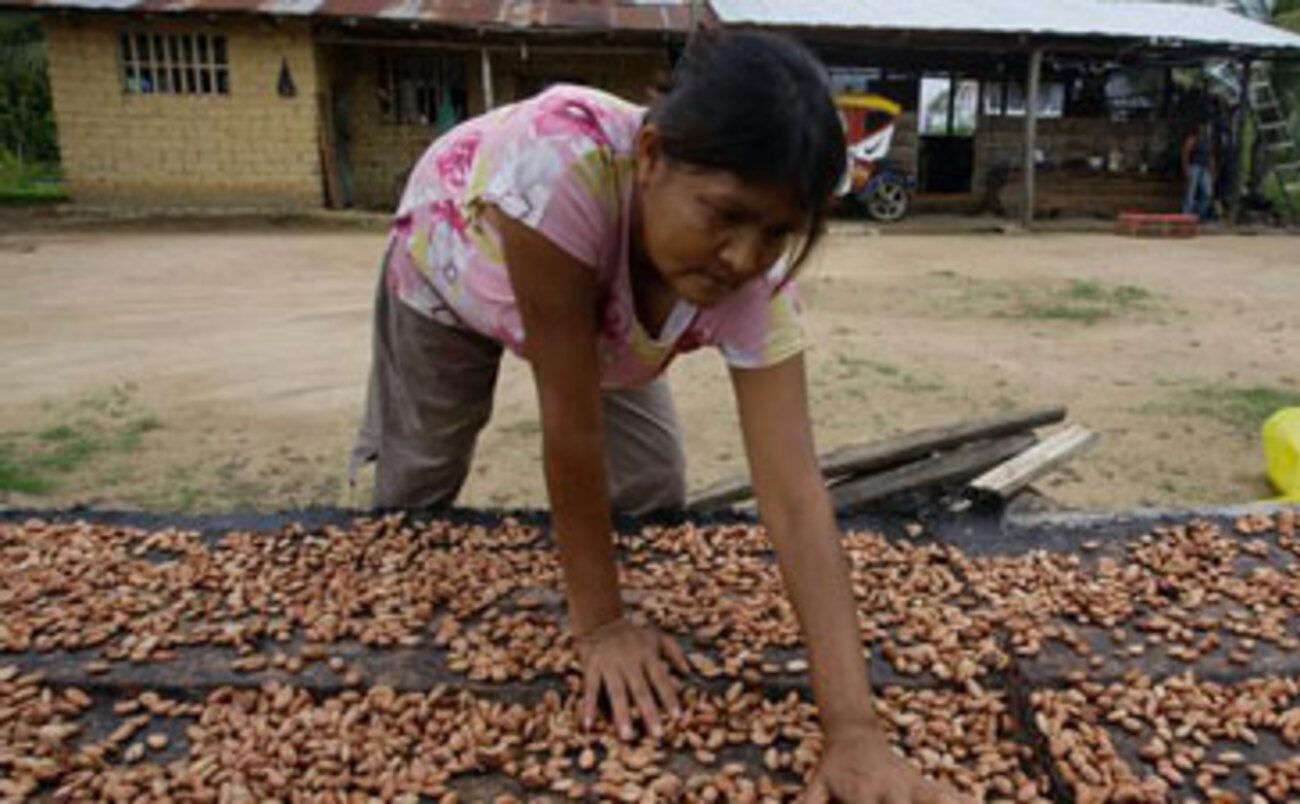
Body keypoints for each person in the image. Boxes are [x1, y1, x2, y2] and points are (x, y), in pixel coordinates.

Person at [352, 32, 972, 803]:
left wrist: (855, 731)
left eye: (776, 232)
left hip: (607, 307)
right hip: (454, 264)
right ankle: (399, 584)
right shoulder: (560, 171)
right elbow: (570, 420)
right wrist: (601, 625)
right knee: (421, 471)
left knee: (651, 482)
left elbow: (795, 493)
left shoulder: (755, 278)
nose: (742, 257)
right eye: (726, 215)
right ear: (649, 156)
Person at [1181, 120, 1216, 220]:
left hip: (1205, 169)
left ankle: (1199, 213)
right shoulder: (1192, 139)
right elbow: (1185, 154)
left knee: (1208, 193)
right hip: (1194, 167)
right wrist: (1186, 168)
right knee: (1190, 192)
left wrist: (1213, 171)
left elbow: (1211, 156)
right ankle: (1186, 215)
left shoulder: (1209, 141)